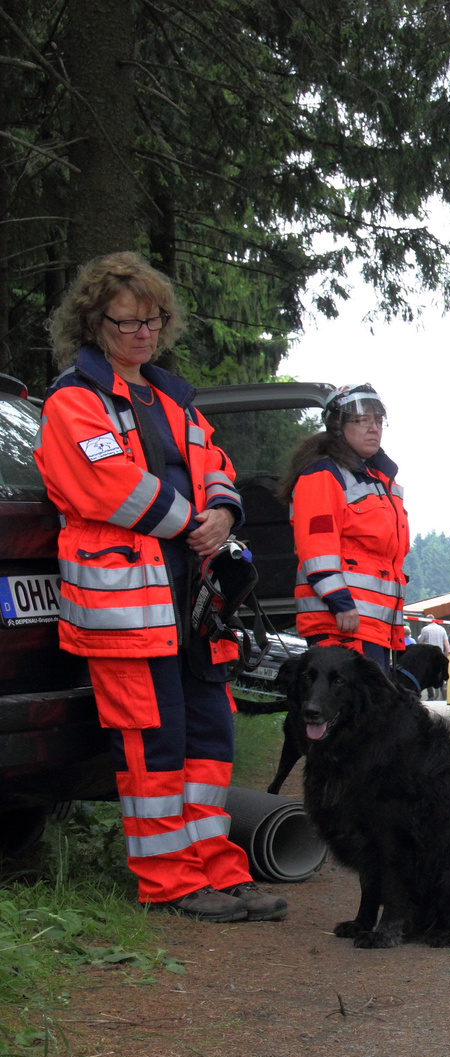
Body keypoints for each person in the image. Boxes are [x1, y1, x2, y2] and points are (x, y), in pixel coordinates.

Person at [34, 252, 286, 922]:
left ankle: (218, 870)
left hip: (194, 603)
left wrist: (224, 514)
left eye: (152, 322)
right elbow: (105, 485)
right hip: (127, 609)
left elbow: (215, 464)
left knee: (209, 740)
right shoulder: (74, 401)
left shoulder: (173, 396)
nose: (141, 335)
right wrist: (192, 526)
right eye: (125, 324)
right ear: (95, 324)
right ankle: (169, 882)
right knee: (154, 745)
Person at [279, 385, 409, 672]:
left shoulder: (378, 480)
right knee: (348, 713)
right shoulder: (323, 474)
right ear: (338, 426)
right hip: (342, 622)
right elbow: (316, 546)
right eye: (362, 420)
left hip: (373, 622)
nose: (373, 428)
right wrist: (339, 601)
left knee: (368, 712)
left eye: (378, 420)